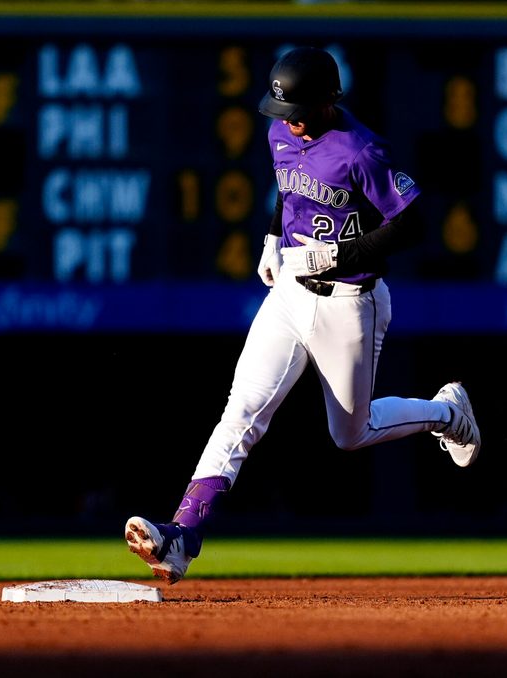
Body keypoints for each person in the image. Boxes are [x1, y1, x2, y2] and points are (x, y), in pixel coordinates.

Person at [124, 46, 480, 584]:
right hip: (290, 294)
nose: (288, 118)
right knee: (240, 413)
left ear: (328, 102)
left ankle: (446, 412)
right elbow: (287, 189)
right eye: (282, 107)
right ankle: (182, 537)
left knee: (351, 435)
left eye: (299, 108)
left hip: (349, 301)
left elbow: (413, 224)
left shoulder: (361, 151)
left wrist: (343, 253)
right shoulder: (279, 133)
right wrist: (272, 235)